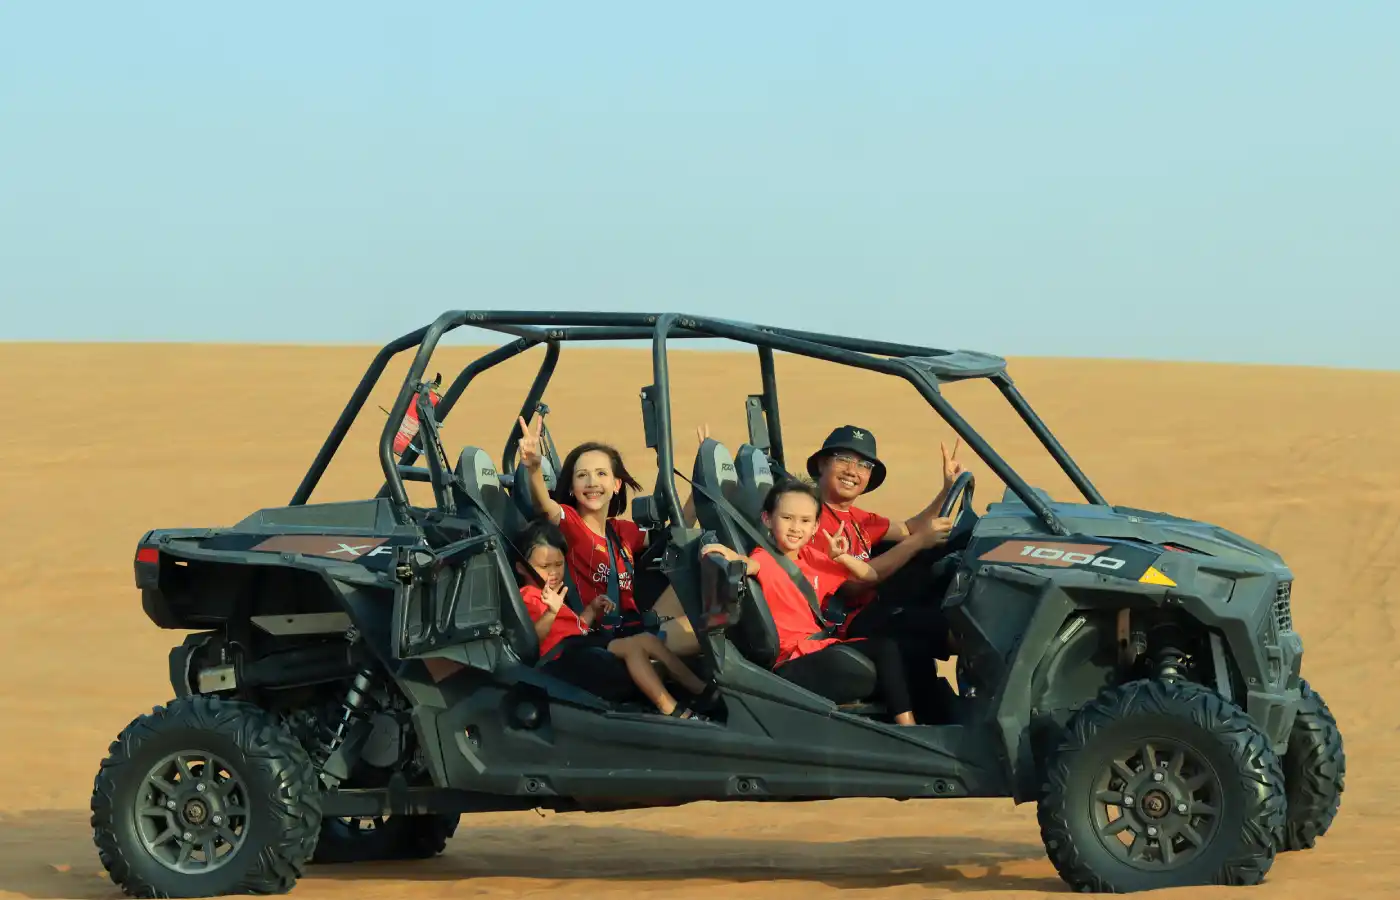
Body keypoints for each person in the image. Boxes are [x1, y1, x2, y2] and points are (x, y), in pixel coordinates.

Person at [701, 478, 946, 726]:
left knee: (912, 651)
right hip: (792, 659)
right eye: (787, 518)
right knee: (885, 649)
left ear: (816, 525)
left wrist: (842, 557)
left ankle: (935, 721)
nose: (796, 527)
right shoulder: (764, 558)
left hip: (818, 646)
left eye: (805, 521)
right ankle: (908, 729)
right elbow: (749, 564)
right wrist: (731, 557)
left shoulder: (811, 557)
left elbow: (869, 575)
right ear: (767, 519)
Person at [516, 414, 704, 657]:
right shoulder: (570, 525)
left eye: (601, 474)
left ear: (616, 484)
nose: (592, 482)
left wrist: (702, 480)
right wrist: (533, 468)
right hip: (603, 637)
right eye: (582, 475)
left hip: (635, 623)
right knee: (707, 631)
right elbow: (545, 504)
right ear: (572, 488)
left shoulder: (621, 531)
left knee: (699, 576)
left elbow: (677, 532)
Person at [514, 519, 717, 720]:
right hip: (563, 660)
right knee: (632, 648)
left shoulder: (553, 594)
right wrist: (550, 612)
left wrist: (592, 610)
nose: (553, 572)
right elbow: (531, 640)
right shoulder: (529, 596)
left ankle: (700, 689)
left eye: (558, 564)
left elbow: (575, 627)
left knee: (647, 639)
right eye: (544, 566)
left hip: (581, 644)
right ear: (522, 568)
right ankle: (671, 709)